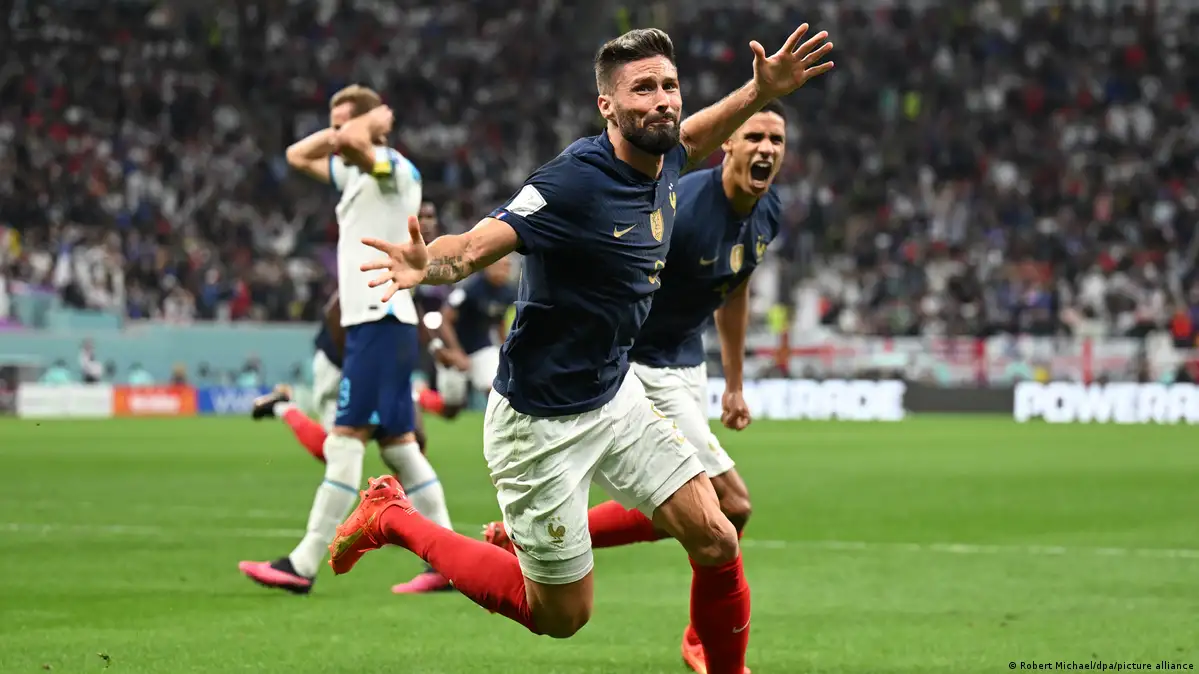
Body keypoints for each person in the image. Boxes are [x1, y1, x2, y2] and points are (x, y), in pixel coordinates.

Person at [326, 27, 833, 674]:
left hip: (615, 394)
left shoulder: (669, 159)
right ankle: (393, 518)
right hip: (540, 420)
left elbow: (698, 135)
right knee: (560, 615)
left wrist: (759, 92)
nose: (661, 100)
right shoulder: (573, 182)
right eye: (642, 89)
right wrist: (431, 264)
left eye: (669, 85)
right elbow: (480, 242)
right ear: (607, 107)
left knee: (716, 535)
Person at [483, 100, 788, 672]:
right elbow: (622, 277)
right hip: (640, 362)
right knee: (730, 505)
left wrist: (734, 384)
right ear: (728, 143)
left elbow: (735, 286)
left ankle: (526, 537)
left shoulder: (768, 211)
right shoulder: (685, 207)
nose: (766, 149)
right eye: (754, 136)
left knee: (707, 514)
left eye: (776, 140)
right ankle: (703, 642)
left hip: (685, 359)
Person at [238, 85, 454, 595]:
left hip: (379, 321)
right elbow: (297, 155)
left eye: (343, 122)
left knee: (344, 441)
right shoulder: (356, 173)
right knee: (401, 449)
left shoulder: (389, 168)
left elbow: (354, 144)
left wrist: (364, 129)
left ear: (372, 124)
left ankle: (302, 563)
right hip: (380, 324)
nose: (335, 134)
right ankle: (446, 562)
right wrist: (346, 129)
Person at [433, 254, 517, 411]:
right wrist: (456, 352)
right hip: (454, 346)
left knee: (496, 389)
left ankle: (497, 422)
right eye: (500, 265)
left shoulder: (507, 293)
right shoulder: (470, 287)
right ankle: (421, 399)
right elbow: (445, 319)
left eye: (507, 266)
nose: (504, 270)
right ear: (488, 266)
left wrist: (507, 350)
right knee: (451, 408)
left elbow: (499, 321)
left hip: (481, 346)